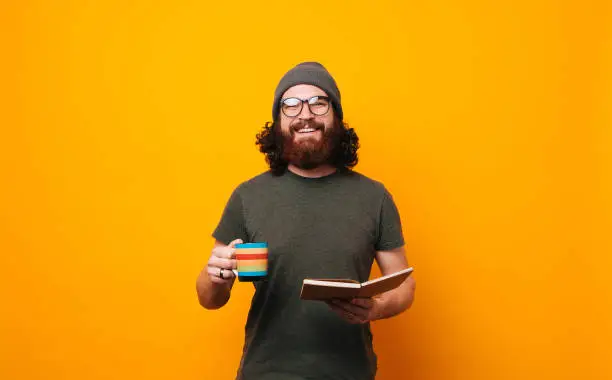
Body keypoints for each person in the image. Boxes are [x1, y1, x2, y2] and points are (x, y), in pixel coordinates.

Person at [196, 62, 416, 380]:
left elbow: (404, 283)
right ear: (278, 123)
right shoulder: (248, 196)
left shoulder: (374, 197)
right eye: (291, 105)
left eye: (318, 103)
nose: (305, 114)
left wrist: (377, 307)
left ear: (336, 117)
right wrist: (215, 276)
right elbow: (209, 298)